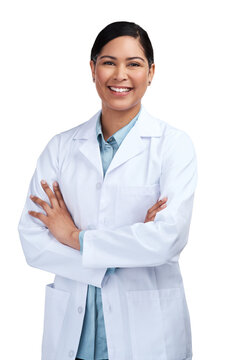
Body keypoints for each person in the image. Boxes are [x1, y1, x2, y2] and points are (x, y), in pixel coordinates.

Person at [18, 21, 198, 360]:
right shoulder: (60, 148)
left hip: (148, 338)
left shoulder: (173, 146)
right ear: (92, 68)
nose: (120, 75)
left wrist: (74, 237)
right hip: (73, 338)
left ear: (151, 71)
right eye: (108, 62)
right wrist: (129, 247)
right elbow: (32, 240)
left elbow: (166, 240)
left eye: (134, 63)